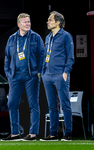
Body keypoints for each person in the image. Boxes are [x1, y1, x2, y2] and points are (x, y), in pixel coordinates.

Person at [1, 13, 44, 141]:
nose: (28, 24)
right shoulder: (12, 39)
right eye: (25, 22)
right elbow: (7, 57)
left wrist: (39, 72)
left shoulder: (36, 37)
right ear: (18, 24)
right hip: (15, 76)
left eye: (29, 22)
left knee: (33, 104)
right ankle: (15, 133)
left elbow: (42, 55)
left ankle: (33, 134)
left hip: (31, 75)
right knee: (12, 104)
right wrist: (8, 73)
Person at [40, 11, 74, 141]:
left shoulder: (66, 36)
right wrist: (43, 72)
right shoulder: (48, 37)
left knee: (65, 104)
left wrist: (66, 72)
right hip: (47, 75)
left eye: (50, 20)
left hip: (60, 74)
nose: (47, 22)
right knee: (52, 105)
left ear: (58, 22)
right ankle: (53, 134)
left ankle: (68, 134)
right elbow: (45, 56)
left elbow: (70, 57)